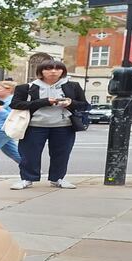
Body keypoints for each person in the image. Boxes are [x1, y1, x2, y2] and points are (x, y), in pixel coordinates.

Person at [10, 60, 88, 190]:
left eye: (58, 69)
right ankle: (27, 179)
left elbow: (84, 105)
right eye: (48, 69)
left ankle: (58, 178)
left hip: (64, 125)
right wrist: (43, 102)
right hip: (34, 125)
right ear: (41, 71)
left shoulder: (72, 86)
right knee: (29, 154)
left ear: (63, 71)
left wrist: (70, 103)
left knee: (61, 154)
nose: (53, 71)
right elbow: (16, 104)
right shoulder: (27, 87)